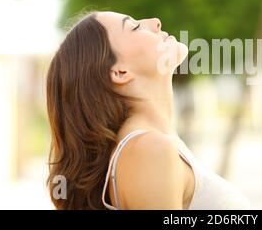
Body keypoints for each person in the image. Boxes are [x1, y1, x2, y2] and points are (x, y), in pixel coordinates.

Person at [46, 11, 251, 209]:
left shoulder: (151, 146)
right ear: (120, 71)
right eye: (135, 27)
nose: (155, 22)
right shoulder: (149, 149)